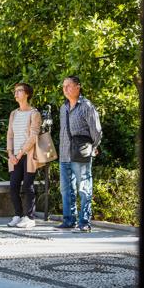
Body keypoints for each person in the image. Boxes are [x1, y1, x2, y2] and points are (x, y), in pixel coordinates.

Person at [57, 76, 102, 232]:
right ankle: (69, 220)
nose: (65, 89)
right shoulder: (63, 108)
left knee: (84, 188)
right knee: (66, 189)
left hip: (81, 153)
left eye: (69, 86)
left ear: (78, 87)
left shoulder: (87, 106)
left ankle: (84, 222)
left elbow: (96, 130)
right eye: (63, 86)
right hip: (64, 153)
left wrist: (93, 146)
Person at [6, 83, 45, 228]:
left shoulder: (34, 113)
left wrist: (21, 152)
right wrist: (10, 153)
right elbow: (10, 135)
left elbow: (34, 135)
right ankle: (18, 215)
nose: (16, 93)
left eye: (19, 91)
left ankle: (29, 217)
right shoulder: (13, 113)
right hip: (14, 156)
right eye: (15, 91)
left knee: (28, 186)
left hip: (28, 156)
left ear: (27, 94)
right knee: (13, 186)